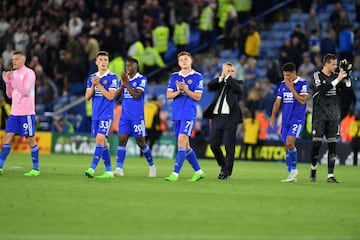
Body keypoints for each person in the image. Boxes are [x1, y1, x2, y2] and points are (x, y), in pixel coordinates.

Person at [165, 51, 205, 182]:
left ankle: (175, 173)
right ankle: (198, 171)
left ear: (191, 61)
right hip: (176, 114)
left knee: (181, 141)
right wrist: (179, 90)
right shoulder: (174, 76)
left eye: (186, 59)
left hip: (188, 114)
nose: (184, 61)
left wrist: (185, 89)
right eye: (181, 59)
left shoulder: (197, 77)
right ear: (178, 62)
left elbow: (198, 96)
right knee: (186, 146)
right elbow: (169, 95)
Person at [310, 53, 350, 183]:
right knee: (316, 144)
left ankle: (330, 176)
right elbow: (322, 89)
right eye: (333, 64)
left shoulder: (336, 76)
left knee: (332, 145)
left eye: (336, 64)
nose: (336, 66)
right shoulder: (317, 75)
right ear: (326, 64)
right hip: (319, 115)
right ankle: (313, 169)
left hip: (333, 115)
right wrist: (338, 79)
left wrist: (346, 76)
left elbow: (347, 88)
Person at [113, 58, 156, 177]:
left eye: (130, 66)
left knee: (141, 142)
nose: (127, 68)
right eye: (126, 66)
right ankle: (119, 168)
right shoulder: (124, 79)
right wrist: (122, 85)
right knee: (122, 140)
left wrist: (126, 83)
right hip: (125, 115)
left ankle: (152, 166)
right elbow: (115, 98)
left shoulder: (141, 79)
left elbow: (137, 95)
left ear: (136, 66)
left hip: (137, 116)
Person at [0, 51, 40, 176]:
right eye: (13, 59)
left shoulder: (29, 73)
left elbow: (25, 91)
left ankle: (35, 169)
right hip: (14, 112)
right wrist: (7, 82)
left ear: (23, 60)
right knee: (7, 138)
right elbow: (10, 94)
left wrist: (12, 78)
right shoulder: (14, 74)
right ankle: (0, 166)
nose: (14, 61)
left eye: (16, 59)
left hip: (26, 113)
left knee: (30, 139)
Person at [203, 62, 244, 180]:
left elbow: (238, 89)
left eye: (231, 71)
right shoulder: (220, 83)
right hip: (217, 117)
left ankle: (226, 172)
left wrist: (227, 77)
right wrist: (221, 77)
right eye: (227, 70)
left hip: (231, 118)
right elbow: (210, 86)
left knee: (228, 145)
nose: (229, 73)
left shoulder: (238, 83)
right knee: (214, 145)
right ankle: (223, 165)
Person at [270, 62, 309, 182]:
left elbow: (303, 101)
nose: (285, 78)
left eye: (288, 75)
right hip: (285, 119)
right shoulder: (282, 84)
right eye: (284, 76)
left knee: (290, 143)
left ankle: (294, 170)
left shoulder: (303, 83)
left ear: (294, 73)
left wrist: (292, 88)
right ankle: (291, 172)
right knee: (286, 146)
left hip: (297, 119)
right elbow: (277, 102)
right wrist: (273, 116)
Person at [84, 51, 119, 179]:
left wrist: (98, 84)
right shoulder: (92, 78)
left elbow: (111, 96)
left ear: (108, 62)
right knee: (102, 142)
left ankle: (92, 168)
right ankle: (109, 171)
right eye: (101, 60)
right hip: (96, 114)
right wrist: (93, 85)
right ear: (96, 62)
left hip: (106, 114)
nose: (103, 62)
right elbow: (87, 97)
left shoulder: (113, 77)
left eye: (105, 59)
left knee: (100, 139)